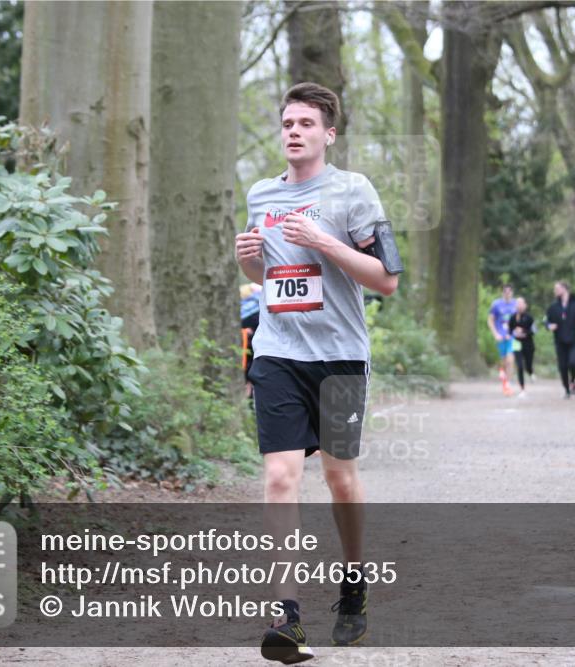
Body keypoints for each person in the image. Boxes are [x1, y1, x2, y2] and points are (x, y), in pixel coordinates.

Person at [233, 82, 402, 664]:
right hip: (277, 352)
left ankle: (354, 586)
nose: (294, 132)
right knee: (280, 477)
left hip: (339, 357)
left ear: (329, 134)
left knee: (339, 479)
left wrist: (325, 242)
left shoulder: (353, 190)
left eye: (306, 123)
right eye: (287, 123)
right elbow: (268, 278)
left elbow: (386, 280)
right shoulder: (261, 194)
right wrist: (250, 260)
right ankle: (286, 617)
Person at [545, 281, 575, 399]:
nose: (555, 291)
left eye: (557, 289)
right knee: (562, 366)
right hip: (560, 340)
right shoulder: (553, 307)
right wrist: (549, 326)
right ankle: (566, 389)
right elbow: (546, 320)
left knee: (573, 362)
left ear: (564, 289)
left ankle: (573, 381)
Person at [487, 284, 519, 396]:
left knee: (511, 360)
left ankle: (508, 385)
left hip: (513, 337)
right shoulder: (496, 304)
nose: (507, 293)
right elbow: (490, 320)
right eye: (505, 291)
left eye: (509, 291)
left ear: (512, 293)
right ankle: (502, 372)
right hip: (501, 336)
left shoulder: (516, 304)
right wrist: (496, 334)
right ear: (502, 293)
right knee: (504, 361)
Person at [508, 296, 535, 394]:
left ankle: (530, 372)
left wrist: (524, 332)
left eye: (521, 304)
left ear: (525, 305)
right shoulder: (512, 317)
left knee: (528, 365)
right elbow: (509, 330)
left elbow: (534, 330)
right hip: (517, 343)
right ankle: (522, 389)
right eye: (517, 304)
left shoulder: (529, 317)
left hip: (528, 344)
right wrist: (514, 332)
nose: (519, 306)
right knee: (519, 366)